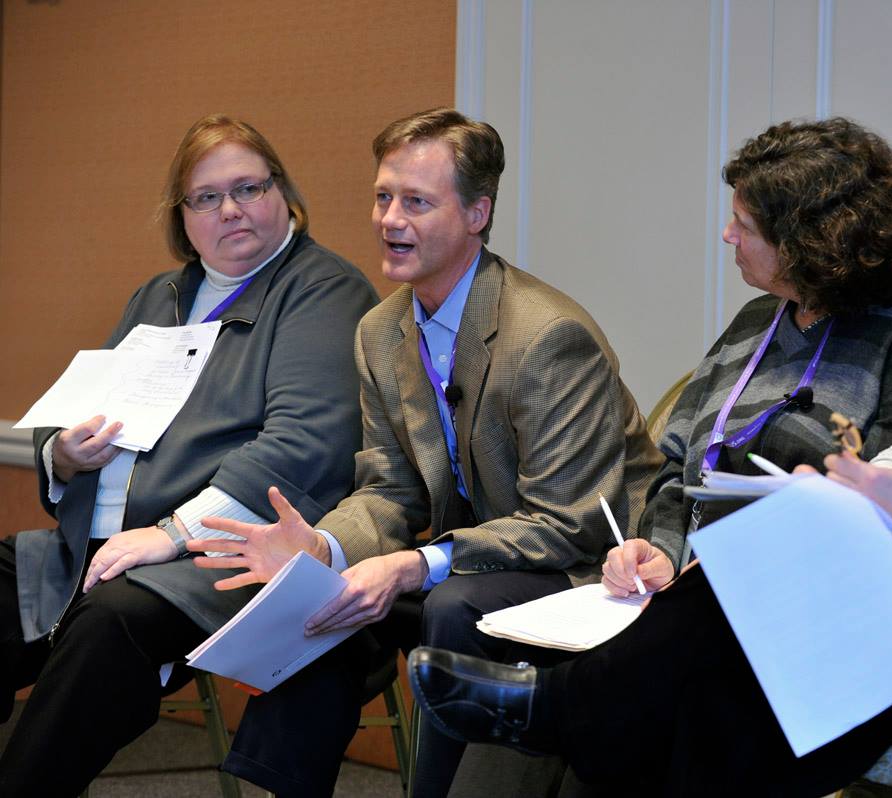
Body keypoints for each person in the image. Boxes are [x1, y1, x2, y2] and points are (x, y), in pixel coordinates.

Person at [409, 77, 892, 796]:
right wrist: (841, 494)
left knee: (761, 582)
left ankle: (562, 707)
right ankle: (575, 710)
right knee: (725, 694)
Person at [192, 107, 662, 798]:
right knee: (326, 602)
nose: (389, 219)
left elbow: (570, 522)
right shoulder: (381, 331)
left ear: (477, 213)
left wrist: (417, 563)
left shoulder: (547, 336)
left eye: (416, 202)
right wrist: (323, 549)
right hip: (470, 559)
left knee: (450, 607)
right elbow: (388, 490)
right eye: (383, 197)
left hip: (589, 569)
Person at [0, 114, 378, 796]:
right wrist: (64, 455)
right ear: (183, 215)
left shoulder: (324, 290)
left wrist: (168, 536)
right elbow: (70, 418)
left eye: (248, 187)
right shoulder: (160, 294)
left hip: (216, 557)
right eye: (206, 196)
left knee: (107, 630)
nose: (229, 208)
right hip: (88, 547)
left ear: (283, 194)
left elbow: (301, 450)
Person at [602, 116, 892, 596]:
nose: (728, 235)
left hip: (813, 596)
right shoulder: (756, 320)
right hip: (690, 593)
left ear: (806, 245)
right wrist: (659, 553)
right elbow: (675, 464)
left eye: (744, 225)